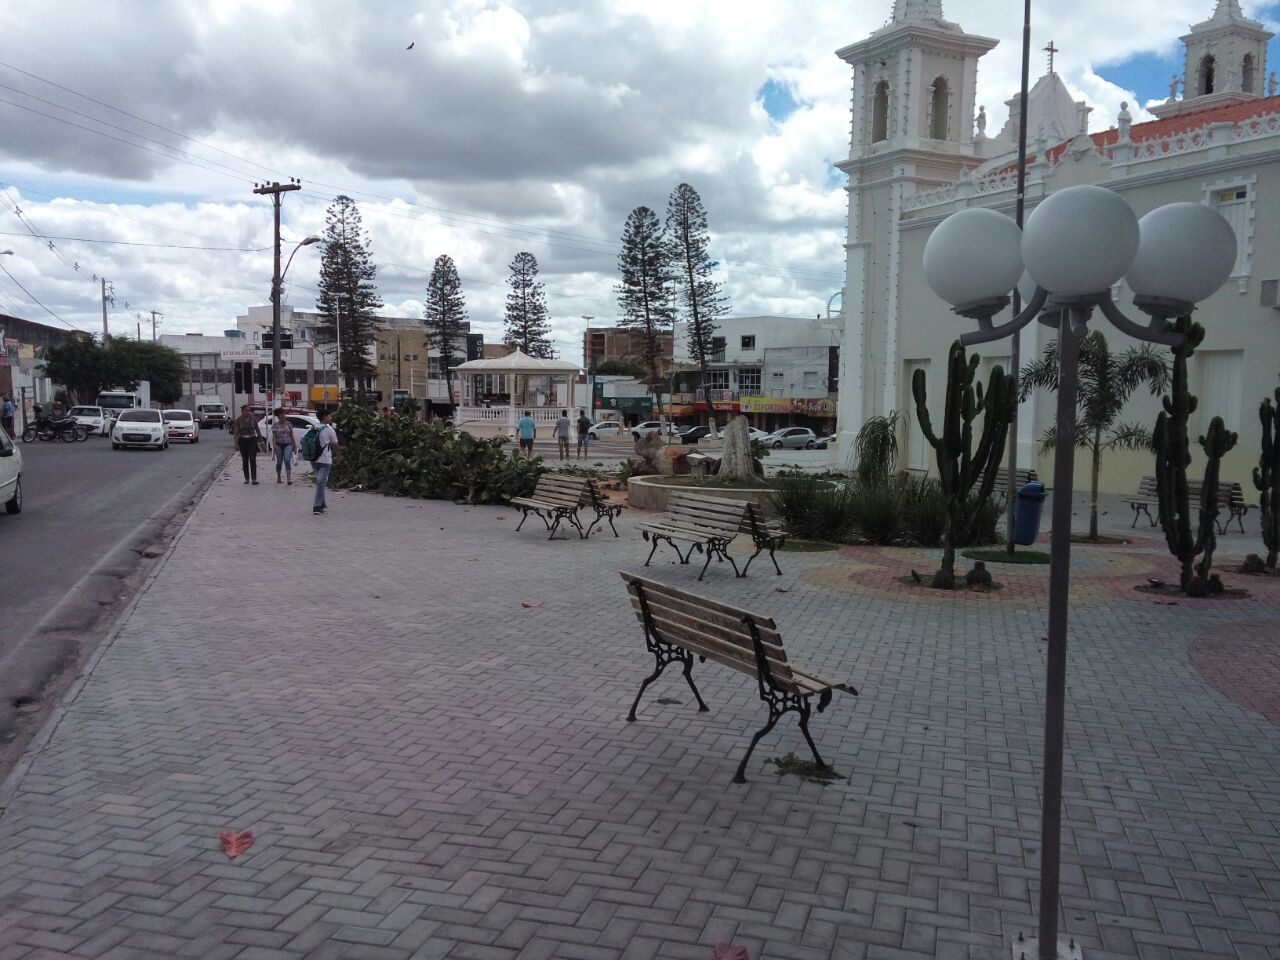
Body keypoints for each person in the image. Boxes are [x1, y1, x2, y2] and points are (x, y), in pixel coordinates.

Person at [312, 409, 339, 515]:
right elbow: (335, 444)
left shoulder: (313, 427)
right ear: (324, 417)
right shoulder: (329, 429)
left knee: (321, 481)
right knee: (320, 482)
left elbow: (303, 440)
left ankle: (322, 503)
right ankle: (317, 506)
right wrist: (339, 456)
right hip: (325, 460)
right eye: (329, 416)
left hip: (314, 460)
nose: (330, 418)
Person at [231, 404, 259, 485]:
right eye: (246, 410)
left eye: (249, 411)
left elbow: (257, 430)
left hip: (252, 440)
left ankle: (254, 479)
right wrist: (236, 444)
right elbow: (235, 433)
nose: (248, 412)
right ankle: (247, 478)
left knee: (252, 459)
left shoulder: (253, 419)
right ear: (242, 411)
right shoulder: (238, 420)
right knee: (245, 460)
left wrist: (261, 440)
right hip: (242, 440)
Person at [270, 408, 298, 485]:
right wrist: (274, 445)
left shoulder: (289, 424)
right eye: (281, 417)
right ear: (278, 417)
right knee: (279, 462)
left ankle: (288, 478)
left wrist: (295, 447)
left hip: (288, 444)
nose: (283, 418)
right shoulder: (275, 425)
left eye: (284, 417)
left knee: (287, 460)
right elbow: (274, 436)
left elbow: (292, 436)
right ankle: (279, 476)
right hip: (278, 445)